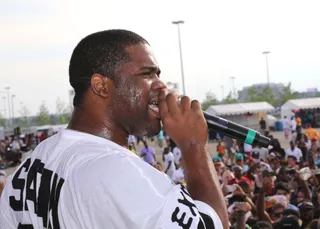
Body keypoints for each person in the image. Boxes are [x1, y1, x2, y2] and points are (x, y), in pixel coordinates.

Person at [0, 30, 227, 228]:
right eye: (147, 74)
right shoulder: (116, 170)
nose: (161, 85)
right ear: (101, 86)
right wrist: (193, 147)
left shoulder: (34, 161)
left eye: (158, 74)